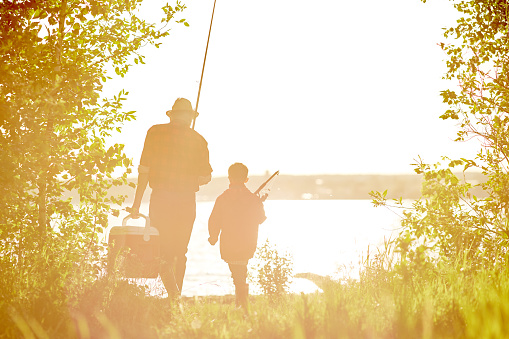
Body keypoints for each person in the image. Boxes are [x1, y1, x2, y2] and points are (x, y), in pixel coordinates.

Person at [128, 97, 212, 299]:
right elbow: (206, 177)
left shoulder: (155, 132)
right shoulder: (198, 140)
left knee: (162, 249)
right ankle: (176, 296)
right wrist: (190, 178)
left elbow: (144, 171)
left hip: (161, 198)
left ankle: (173, 294)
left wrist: (136, 204)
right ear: (190, 117)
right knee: (180, 252)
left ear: (172, 115)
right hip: (185, 200)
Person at [208, 162, 266, 309]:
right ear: (246, 179)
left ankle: (242, 306)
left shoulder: (222, 198)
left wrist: (213, 237)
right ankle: (241, 305)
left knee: (238, 275)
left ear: (229, 178)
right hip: (247, 244)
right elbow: (260, 218)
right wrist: (259, 202)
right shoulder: (253, 199)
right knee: (240, 274)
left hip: (229, 245)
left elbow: (214, 219)